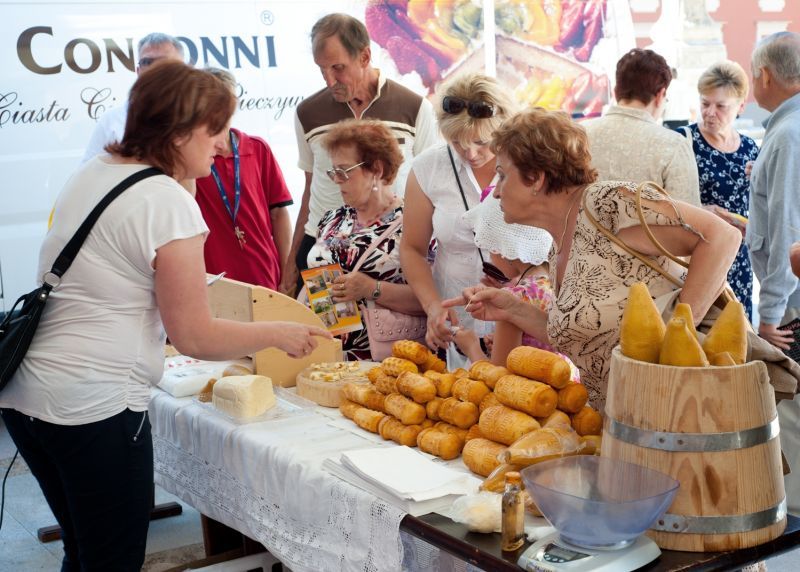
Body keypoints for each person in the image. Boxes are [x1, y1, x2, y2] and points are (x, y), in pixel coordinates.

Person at [0, 61, 329, 572]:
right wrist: (277, 332)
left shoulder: (100, 171)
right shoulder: (163, 199)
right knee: (112, 559)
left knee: (83, 549)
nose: (224, 145)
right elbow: (194, 334)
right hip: (93, 403)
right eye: (215, 130)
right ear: (177, 133)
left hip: (27, 395)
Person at [443, 108, 740, 411]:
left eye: (503, 175)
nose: (496, 192)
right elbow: (582, 336)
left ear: (536, 179)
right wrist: (511, 308)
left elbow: (721, 237)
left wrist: (678, 334)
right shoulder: (556, 246)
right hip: (625, 421)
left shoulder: (606, 205)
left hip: (684, 410)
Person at [281, 13, 439, 296]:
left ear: (365, 56)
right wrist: (292, 262)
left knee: (391, 336)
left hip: (393, 251)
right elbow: (309, 188)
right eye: (322, 69)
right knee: (326, 335)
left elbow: (432, 188)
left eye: (338, 68)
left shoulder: (415, 107)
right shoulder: (307, 113)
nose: (330, 80)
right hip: (322, 248)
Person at [400, 73, 517, 368]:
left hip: (519, 316)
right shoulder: (428, 167)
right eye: (458, 143)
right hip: (455, 318)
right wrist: (433, 306)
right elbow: (412, 248)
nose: (471, 153)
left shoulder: (526, 165)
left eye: (481, 142)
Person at [306, 119, 424, 361]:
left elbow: (433, 299)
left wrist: (372, 289)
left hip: (385, 360)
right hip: (329, 354)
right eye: (333, 172)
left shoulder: (414, 223)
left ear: (377, 170)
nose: (336, 180)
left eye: (344, 172)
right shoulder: (332, 219)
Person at [747, 31, 800, 517]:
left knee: (794, 417)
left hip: (792, 304)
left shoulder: (788, 133)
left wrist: (771, 315)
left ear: (764, 74)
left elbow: (787, 228)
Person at [194, 68, 293, 290]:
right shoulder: (195, 158)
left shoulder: (257, 149)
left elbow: (279, 213)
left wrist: (287, 271)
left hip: (263, 273)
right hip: (217, 280)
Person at [679, 61, 759, 320]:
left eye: (721, 106)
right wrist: (701, 211)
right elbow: (665, 199)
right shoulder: (684, 141)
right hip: (699, 255)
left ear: (741, 106)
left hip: (739, 259)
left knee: (738, 333)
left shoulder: (750, 148)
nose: (710, 112)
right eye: (705, 103)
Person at [583, 48, 701, 205]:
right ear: (660, 95)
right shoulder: (674, 145)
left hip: (582, 229)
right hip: (649, 230)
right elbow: (687, 220)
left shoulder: (578, 136)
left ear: (616, 91)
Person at [82, 32, 184, 162]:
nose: (155, 68)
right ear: (138, 71)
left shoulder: (199, 115)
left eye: (164, 62)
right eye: (147, 62)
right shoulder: (112, 121)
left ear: (182, 69)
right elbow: (88, 174)